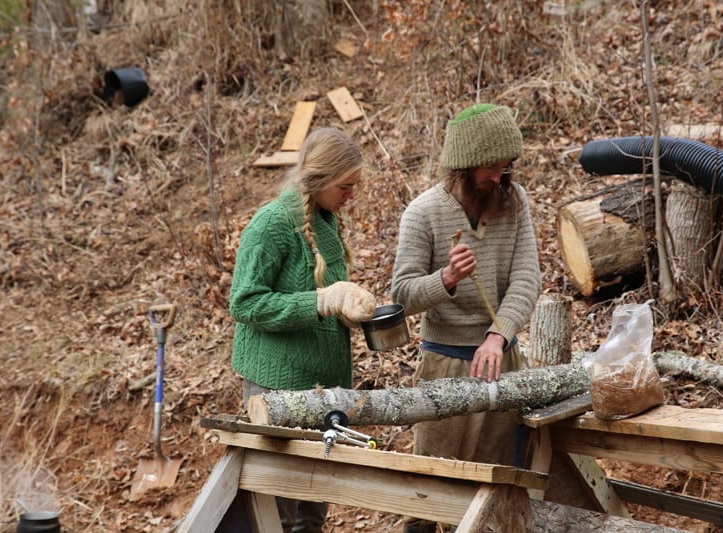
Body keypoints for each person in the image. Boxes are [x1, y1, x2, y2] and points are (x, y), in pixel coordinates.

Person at [390, 103, 542, 533]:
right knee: (430, 489)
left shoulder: (515, 201)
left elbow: (527, 277)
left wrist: (498, 335)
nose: (499, 175)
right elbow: (402, 294)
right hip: (445, 366)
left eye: (505, 165)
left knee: (497, 485)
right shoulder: (422, 213)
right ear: (464, 164)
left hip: (500, 361)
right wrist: (447, 278)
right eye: (490, 166)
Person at [229, 127, 377, 533]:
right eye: (345, 186)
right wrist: (321, 302)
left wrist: (347, 311)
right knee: (277, 513)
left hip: (325, 387)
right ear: (318, 178)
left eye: (355, 185)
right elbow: (245, 303)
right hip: (277, 390)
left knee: (313, 512)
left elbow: (323, 295)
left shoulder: (326, 220)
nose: (352, 195)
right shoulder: (271, 224)